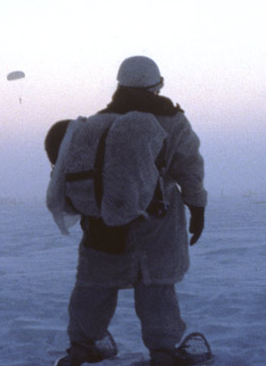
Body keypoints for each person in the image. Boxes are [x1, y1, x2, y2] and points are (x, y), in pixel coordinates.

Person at [47, 56, 208, 366]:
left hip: (104, 221)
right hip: (156, 223)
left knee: (94, 286)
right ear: (155, 85)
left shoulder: (96, 122)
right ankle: (163, 352)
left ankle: (81, 347)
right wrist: (197, 206)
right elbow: (188, 166)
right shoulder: (172, 121)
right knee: (156, 286)